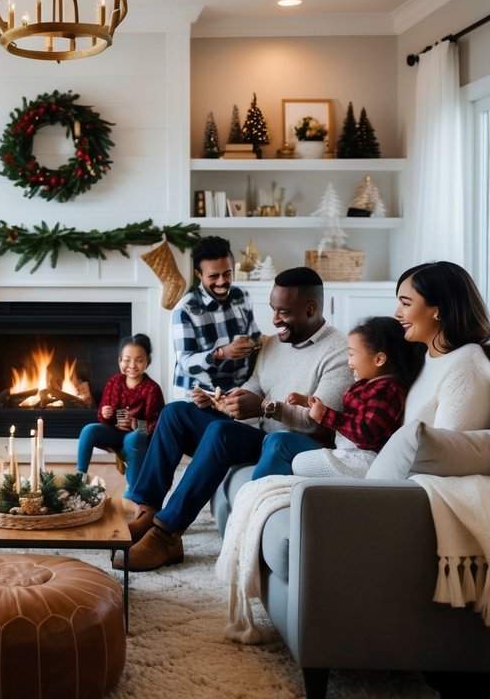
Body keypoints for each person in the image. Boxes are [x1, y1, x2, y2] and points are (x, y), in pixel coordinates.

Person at [123, 267, 352, 571]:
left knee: (221, 434)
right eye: (272, 310)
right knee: (176, 412)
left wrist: (265, 408)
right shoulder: (273, 344)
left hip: (292, 445)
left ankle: (166, 534)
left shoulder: (338, 352)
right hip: (261, 433)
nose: (274, 320)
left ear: (310, 309)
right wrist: (221, 398)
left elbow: (319, 421)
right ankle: (147, 511)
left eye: (283, 312)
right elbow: (255, 387)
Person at [252, 316, 421, 478]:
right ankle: (262, 489)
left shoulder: (387, 391)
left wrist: (325, 414)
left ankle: (261, 490)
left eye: (352, 354)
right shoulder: (368, 385)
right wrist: (309, 403)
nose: (349, 362)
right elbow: (350, 420)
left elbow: (365, 433)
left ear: (379, 359)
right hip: (346, 453)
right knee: (276, 440)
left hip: (365, 462)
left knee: (298, 462)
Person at [391, 260, 490, 431]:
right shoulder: (429, 356)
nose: (397, 313)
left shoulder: (465, 366)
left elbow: (446, 448)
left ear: (438, 310)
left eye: (406, 304)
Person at [75, 334, 165, 499]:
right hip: (115, 433)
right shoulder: (114, 382)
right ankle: (79, 479)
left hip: (139, 436)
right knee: (89, 430)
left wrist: (135, 423)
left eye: (138, 360)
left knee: (132, 439)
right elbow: (103, 416)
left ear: (148, 362)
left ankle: (133, 491)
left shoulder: (152, 389)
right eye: (126, 360)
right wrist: (105, 413)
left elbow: (157, 425)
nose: (132, 365)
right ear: (119, 361)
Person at [170, 236, 261, 398]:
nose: (222, 282)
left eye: (227, 274)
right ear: (199, 274)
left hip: (237, 390)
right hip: (197, 394)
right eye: (213, 276)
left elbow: (255, 336)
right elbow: (186, 364)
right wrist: (221, 353)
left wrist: (252, 343)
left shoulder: (242, 296)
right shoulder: (184, 310)